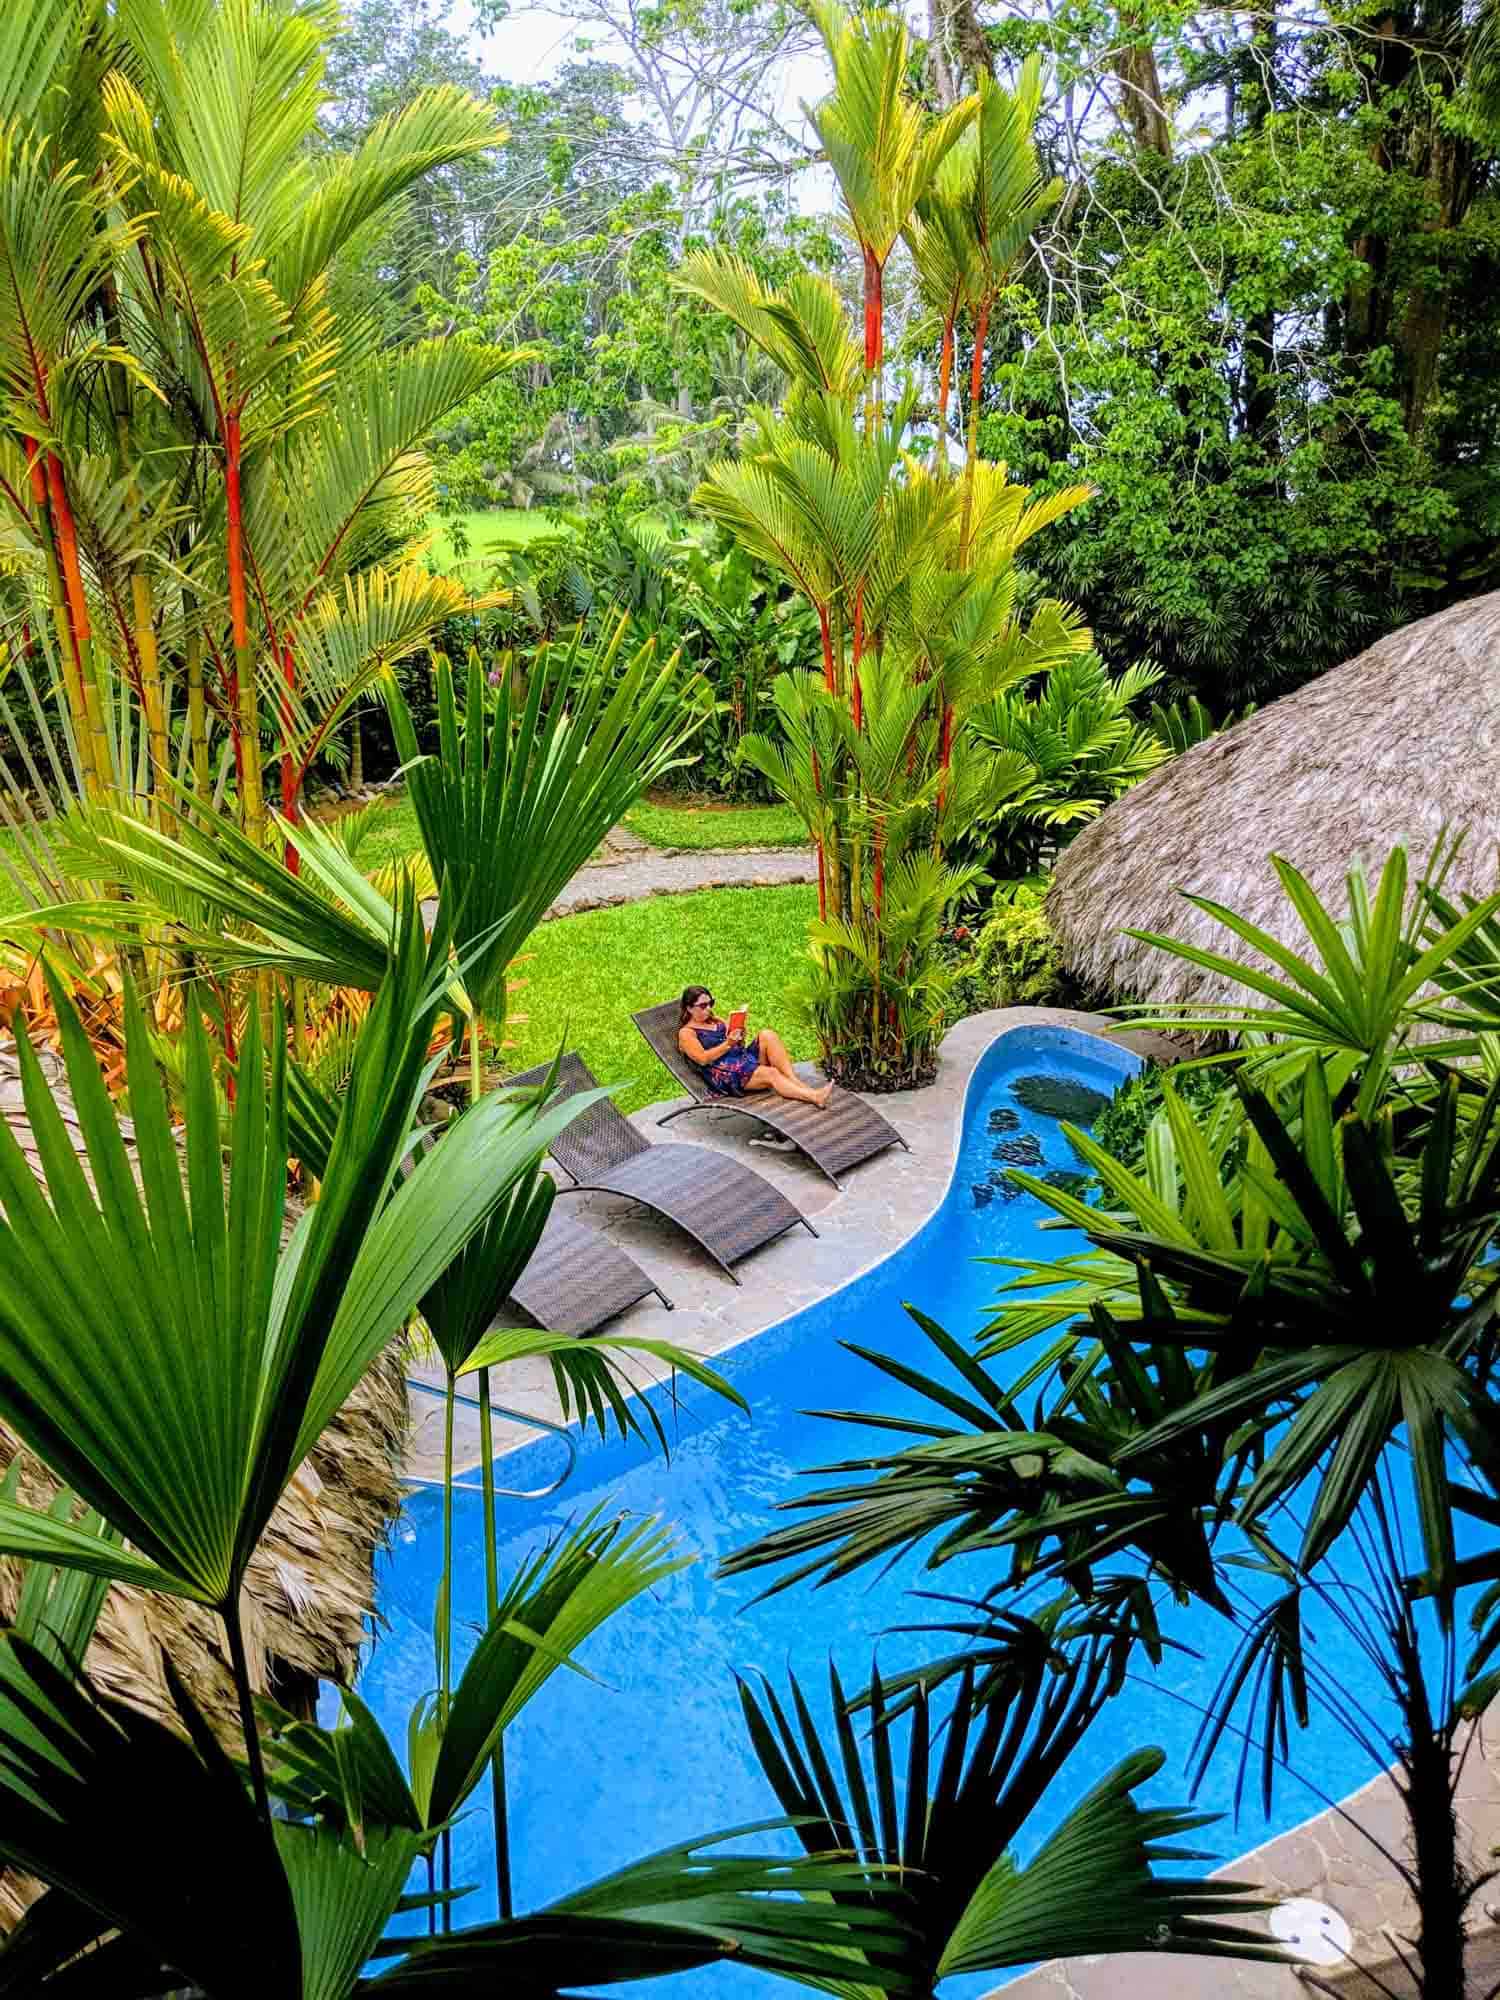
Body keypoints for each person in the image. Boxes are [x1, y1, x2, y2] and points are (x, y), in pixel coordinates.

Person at [676, 985, 834, 1108]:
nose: (709, 1008)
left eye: (711, 1003)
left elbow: (735, 1042)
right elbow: (703, 1059)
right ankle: (814, 1097)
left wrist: (739, 1037)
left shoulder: (713, 1019)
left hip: (740, 1059)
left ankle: (794, 1082)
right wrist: (728, 1044)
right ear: (689, 1008)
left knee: (767, 1034)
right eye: (703, 1006)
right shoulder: (687, 1033)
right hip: (727, 1074)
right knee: (771, 1073)